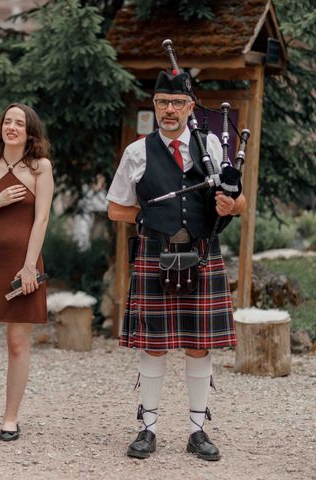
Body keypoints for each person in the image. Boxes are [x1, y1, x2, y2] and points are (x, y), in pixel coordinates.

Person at [107, 70, 246, 462]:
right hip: (156, 253)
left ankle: (197, 430)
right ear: (154, 107)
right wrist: (148, 213)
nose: (170, 110)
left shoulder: (211, 150)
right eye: (162, 103)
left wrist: (230, 205)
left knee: (199, 346)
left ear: (189, 107)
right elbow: (115, 207)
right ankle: (148, 428)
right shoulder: (137, 152)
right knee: (153, 346)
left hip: (202, 253)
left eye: (177, 103)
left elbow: (241, 202)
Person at [0, 103, 54, 441]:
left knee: (18, 344)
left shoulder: (40, 168)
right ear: (0, 128)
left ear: (30, 132)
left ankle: (10, 418)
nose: (12, 127)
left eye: (19, 123)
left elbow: (42, 218)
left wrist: (30, 265)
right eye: (7, 121)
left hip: (24, 264)